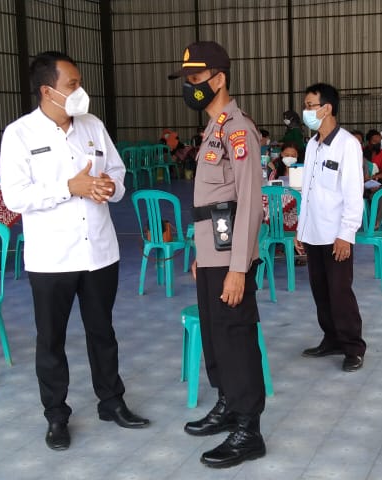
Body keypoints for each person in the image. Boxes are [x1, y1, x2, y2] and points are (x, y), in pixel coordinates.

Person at [0, 51, 149, 453]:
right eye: (72, 85)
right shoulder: (20, 135)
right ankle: (56, 415)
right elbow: (15, 197)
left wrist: (106, 187)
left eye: (80, 83)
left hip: (99, 252)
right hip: (52, 258)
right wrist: (69, 187)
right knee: (51, 339)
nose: (80, 91)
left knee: (103, 332)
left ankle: (111, 402)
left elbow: (117, 175)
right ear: (47, 91)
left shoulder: (92, 126)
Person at [169, 40, 267, 469]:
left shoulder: (237, 128)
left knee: (236, 338)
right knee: (214, 336)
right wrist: (199, 252)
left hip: (231, 258)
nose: (190, 88)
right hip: (211, 253)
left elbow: (248, 200)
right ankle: (227, 403)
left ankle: (249, 427)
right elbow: (211, 204)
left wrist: (238, 267)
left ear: (218, 79)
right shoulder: (214, 127)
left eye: (195, 79)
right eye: (187, 81)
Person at [293, 83, 366, 372]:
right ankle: (331, 338)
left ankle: (353, 346)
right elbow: (307, 191)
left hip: (336, 235)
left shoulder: (347, 144)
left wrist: (345, 235)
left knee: (340, 292)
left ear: (327, 108)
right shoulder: (312, 145)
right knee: (320, 290)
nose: (307, 111)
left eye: (311, 105)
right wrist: (300, 229)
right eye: (306, 105)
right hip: (313, 233)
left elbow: (353, 193)